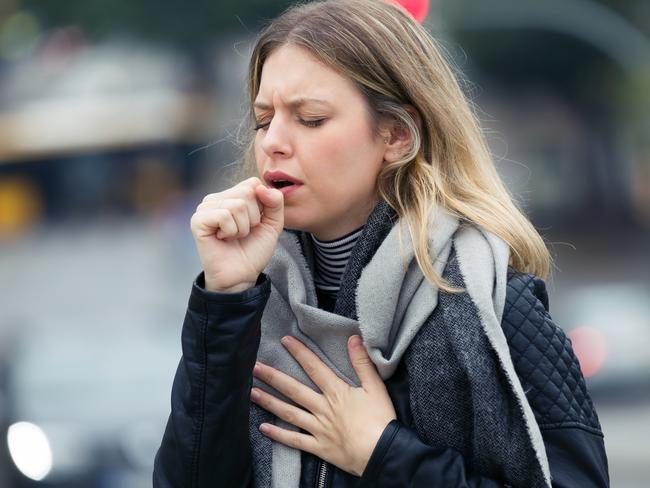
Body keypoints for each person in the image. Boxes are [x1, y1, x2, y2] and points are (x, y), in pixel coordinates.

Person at [153, 0, 609, 486]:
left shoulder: (494, 303)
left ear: (395, 135)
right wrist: (224, 299)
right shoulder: (249, 305)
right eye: (264, 120)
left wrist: (383, 452)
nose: (272, 143)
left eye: (310, 118)